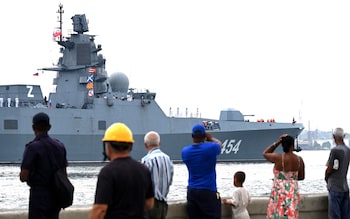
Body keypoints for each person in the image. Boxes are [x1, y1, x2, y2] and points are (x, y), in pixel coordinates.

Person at [89, 122, 154, 219]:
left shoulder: (107, 172)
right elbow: (149, 204)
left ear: (108, 146)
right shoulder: (143, 169)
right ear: (130, 146)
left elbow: (100, 209)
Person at [20, 112, 68, 219]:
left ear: (33, 127)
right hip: (56, 196)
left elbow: (23, 176)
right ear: (49, 127)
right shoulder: (60, 146)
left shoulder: (32, 148)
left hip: (39, 196)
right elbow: (64, 174)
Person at [181, 123, 223, 219]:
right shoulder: (211, 148)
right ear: (204, 136)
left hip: (192, 191)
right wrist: (211, 138)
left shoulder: (185, 152)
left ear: (192, 136)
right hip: (208, 190)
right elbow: (220, 145)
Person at [263, 134, 305, 219]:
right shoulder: (299, 160)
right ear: (292, 145)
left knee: (278, 213)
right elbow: (301, 177)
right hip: (292, 192)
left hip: (279, 191)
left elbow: (265, 153)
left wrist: (277, 142)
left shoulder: (279, 158)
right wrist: (291, 180)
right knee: (291, 213)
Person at [141, 131, 174, 219]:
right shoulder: (168, 159)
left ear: (145, 145)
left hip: (149, 204)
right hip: (163, 204)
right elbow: (170, 181)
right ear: (159, 143)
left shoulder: (146, 160)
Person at [325, 127, 350, 219]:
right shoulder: (348, 150)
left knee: (335, 216)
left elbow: (330, 168)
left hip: (334, 187)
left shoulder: (335, 150)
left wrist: (326, 178)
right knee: (345, 215)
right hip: (344, 186)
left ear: (333, 137)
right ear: (344, 136)